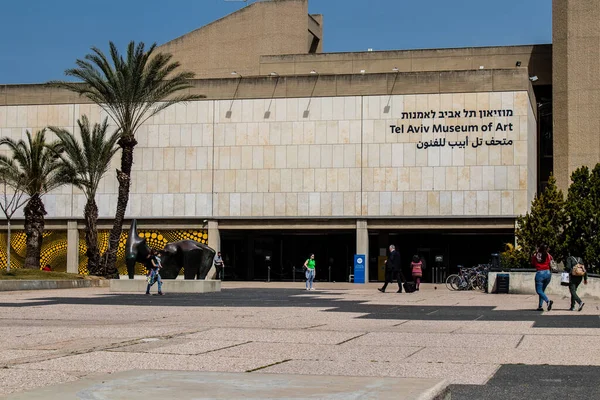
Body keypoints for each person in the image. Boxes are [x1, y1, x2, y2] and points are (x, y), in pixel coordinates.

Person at [531, 244, 553, 311]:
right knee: (542, 291)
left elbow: (533, 263)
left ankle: (548, 301)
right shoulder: (548, 255)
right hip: (548, 273)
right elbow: (551, 261)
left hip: (540, 273)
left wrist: (536, 252)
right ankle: (540, 306)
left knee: (539, 290)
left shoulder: (536, 255)